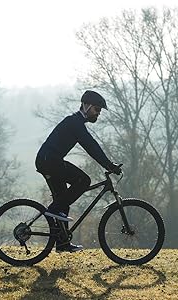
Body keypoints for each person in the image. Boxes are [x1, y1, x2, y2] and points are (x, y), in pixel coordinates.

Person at [35, 90, 122, 253]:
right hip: (49, 161)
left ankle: (62, 243)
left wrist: (108, 164)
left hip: (48, 160)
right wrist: (109, 165)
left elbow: (92, 146)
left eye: (100, 111)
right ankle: (52, 211)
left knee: (63, 201)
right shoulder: (74, 123)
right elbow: (91, 146)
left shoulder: (76, 123)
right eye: (97, 109)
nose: (98, 113)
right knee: (83, 180)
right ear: (86, 106)